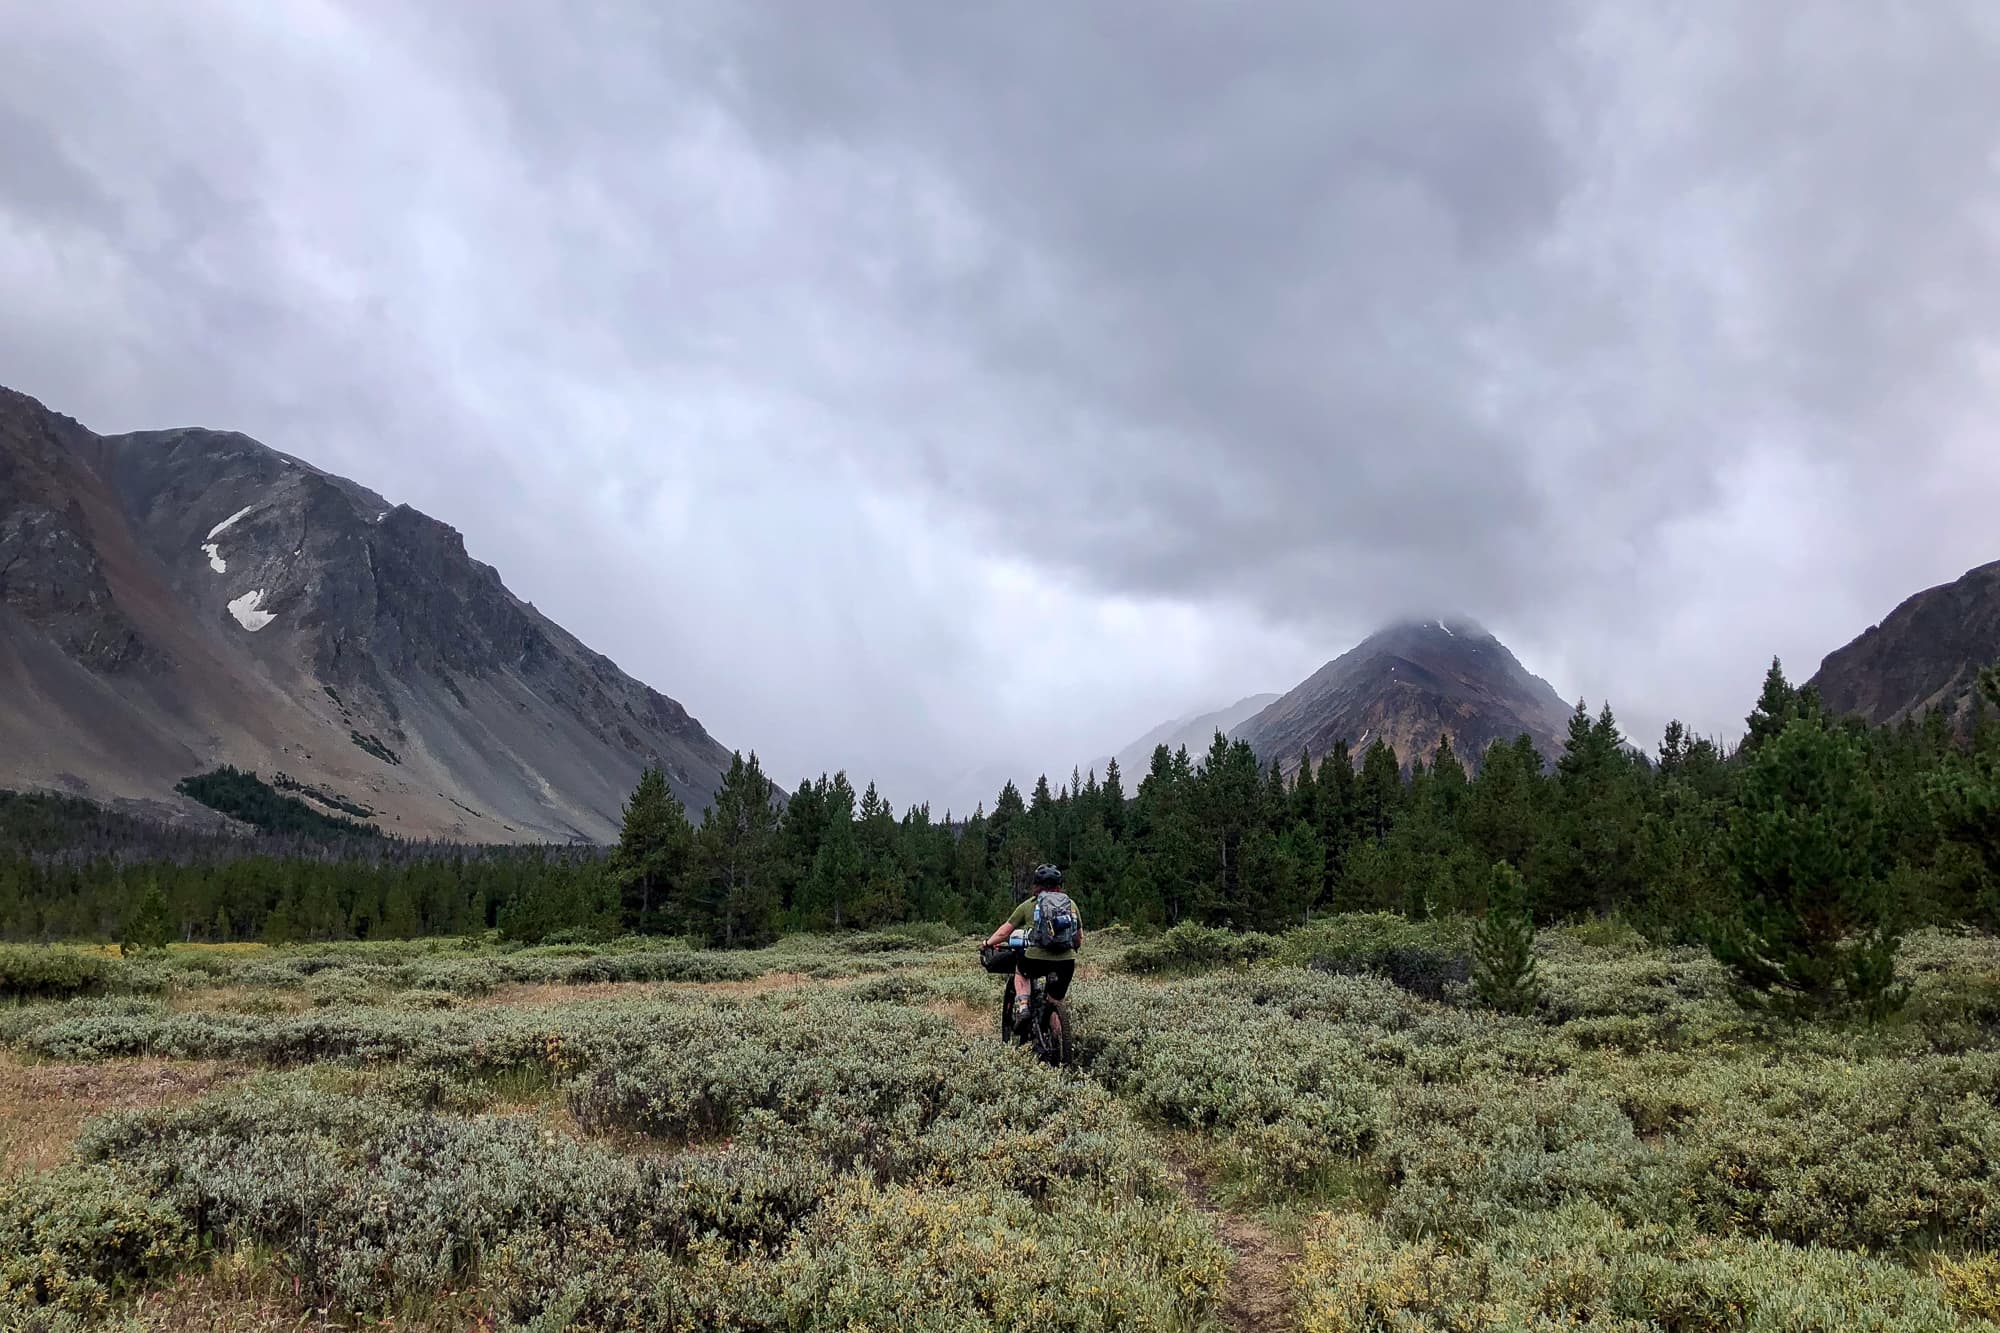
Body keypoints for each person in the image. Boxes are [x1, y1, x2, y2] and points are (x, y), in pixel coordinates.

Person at [984, 864, 1083, 1031]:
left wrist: (987, 943)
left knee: (1021, 971)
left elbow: (1004, 933)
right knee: (1055, 1002)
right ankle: (1058, 1045)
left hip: (1036, 959)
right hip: (1066, 962)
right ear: (1059, 887)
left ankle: (1023, 1007)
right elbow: (1078, 938)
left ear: (1036, 886)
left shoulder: (1029, 905)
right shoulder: (1070, 904)